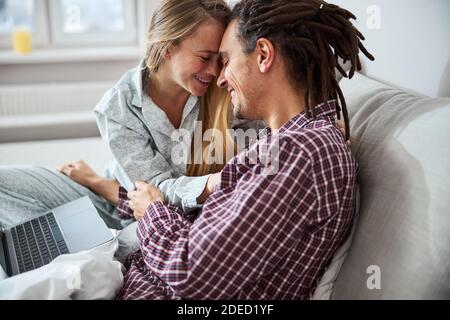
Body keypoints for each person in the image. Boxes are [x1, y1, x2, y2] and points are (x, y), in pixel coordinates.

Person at [113, 0, 375, 300]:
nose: (220, 78)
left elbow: (190, 272)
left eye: (225, 60)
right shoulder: (289, 142)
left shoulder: (301, 153)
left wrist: (152, 212)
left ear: (263, 55)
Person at [0, 0, 249, 232]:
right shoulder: (118, 106)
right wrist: (214, 183)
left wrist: (104, 185)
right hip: (119, 205)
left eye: (222, 59)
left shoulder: (227, 88)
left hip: (150, 219)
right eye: (205, 57)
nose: (216, 71)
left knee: (118, 242)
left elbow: (155, 200)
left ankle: (104, 190)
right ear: (167, 48)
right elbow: (156, 191)